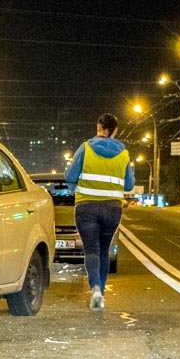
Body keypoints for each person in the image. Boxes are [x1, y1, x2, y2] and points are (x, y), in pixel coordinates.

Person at [65, 113, 135, 310]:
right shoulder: (124, 154)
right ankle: (101, 293)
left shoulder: (86, 148)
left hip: (86, 207)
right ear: (115, 130)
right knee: (104, 250)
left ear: (98, 127)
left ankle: (95, 287)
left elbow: (70, 175)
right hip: (112, 209)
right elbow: (129, 185)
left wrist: (74, 186)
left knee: (91, 250)